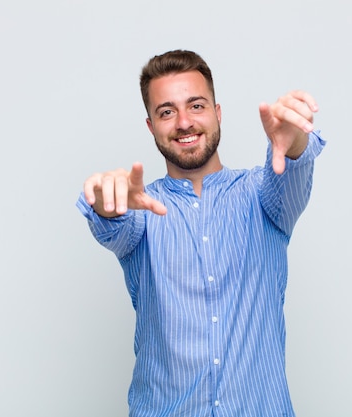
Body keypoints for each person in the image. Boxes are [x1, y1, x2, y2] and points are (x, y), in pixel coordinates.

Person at [77, 49, 326, 417]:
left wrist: (294, 140)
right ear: (151, 126)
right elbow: (112, 222)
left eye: (196, 106)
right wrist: (104, 201)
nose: (183, 122)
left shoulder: (263, 196)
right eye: (167, 111)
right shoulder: (141, 210)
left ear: (217, 112)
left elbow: (292, 171)